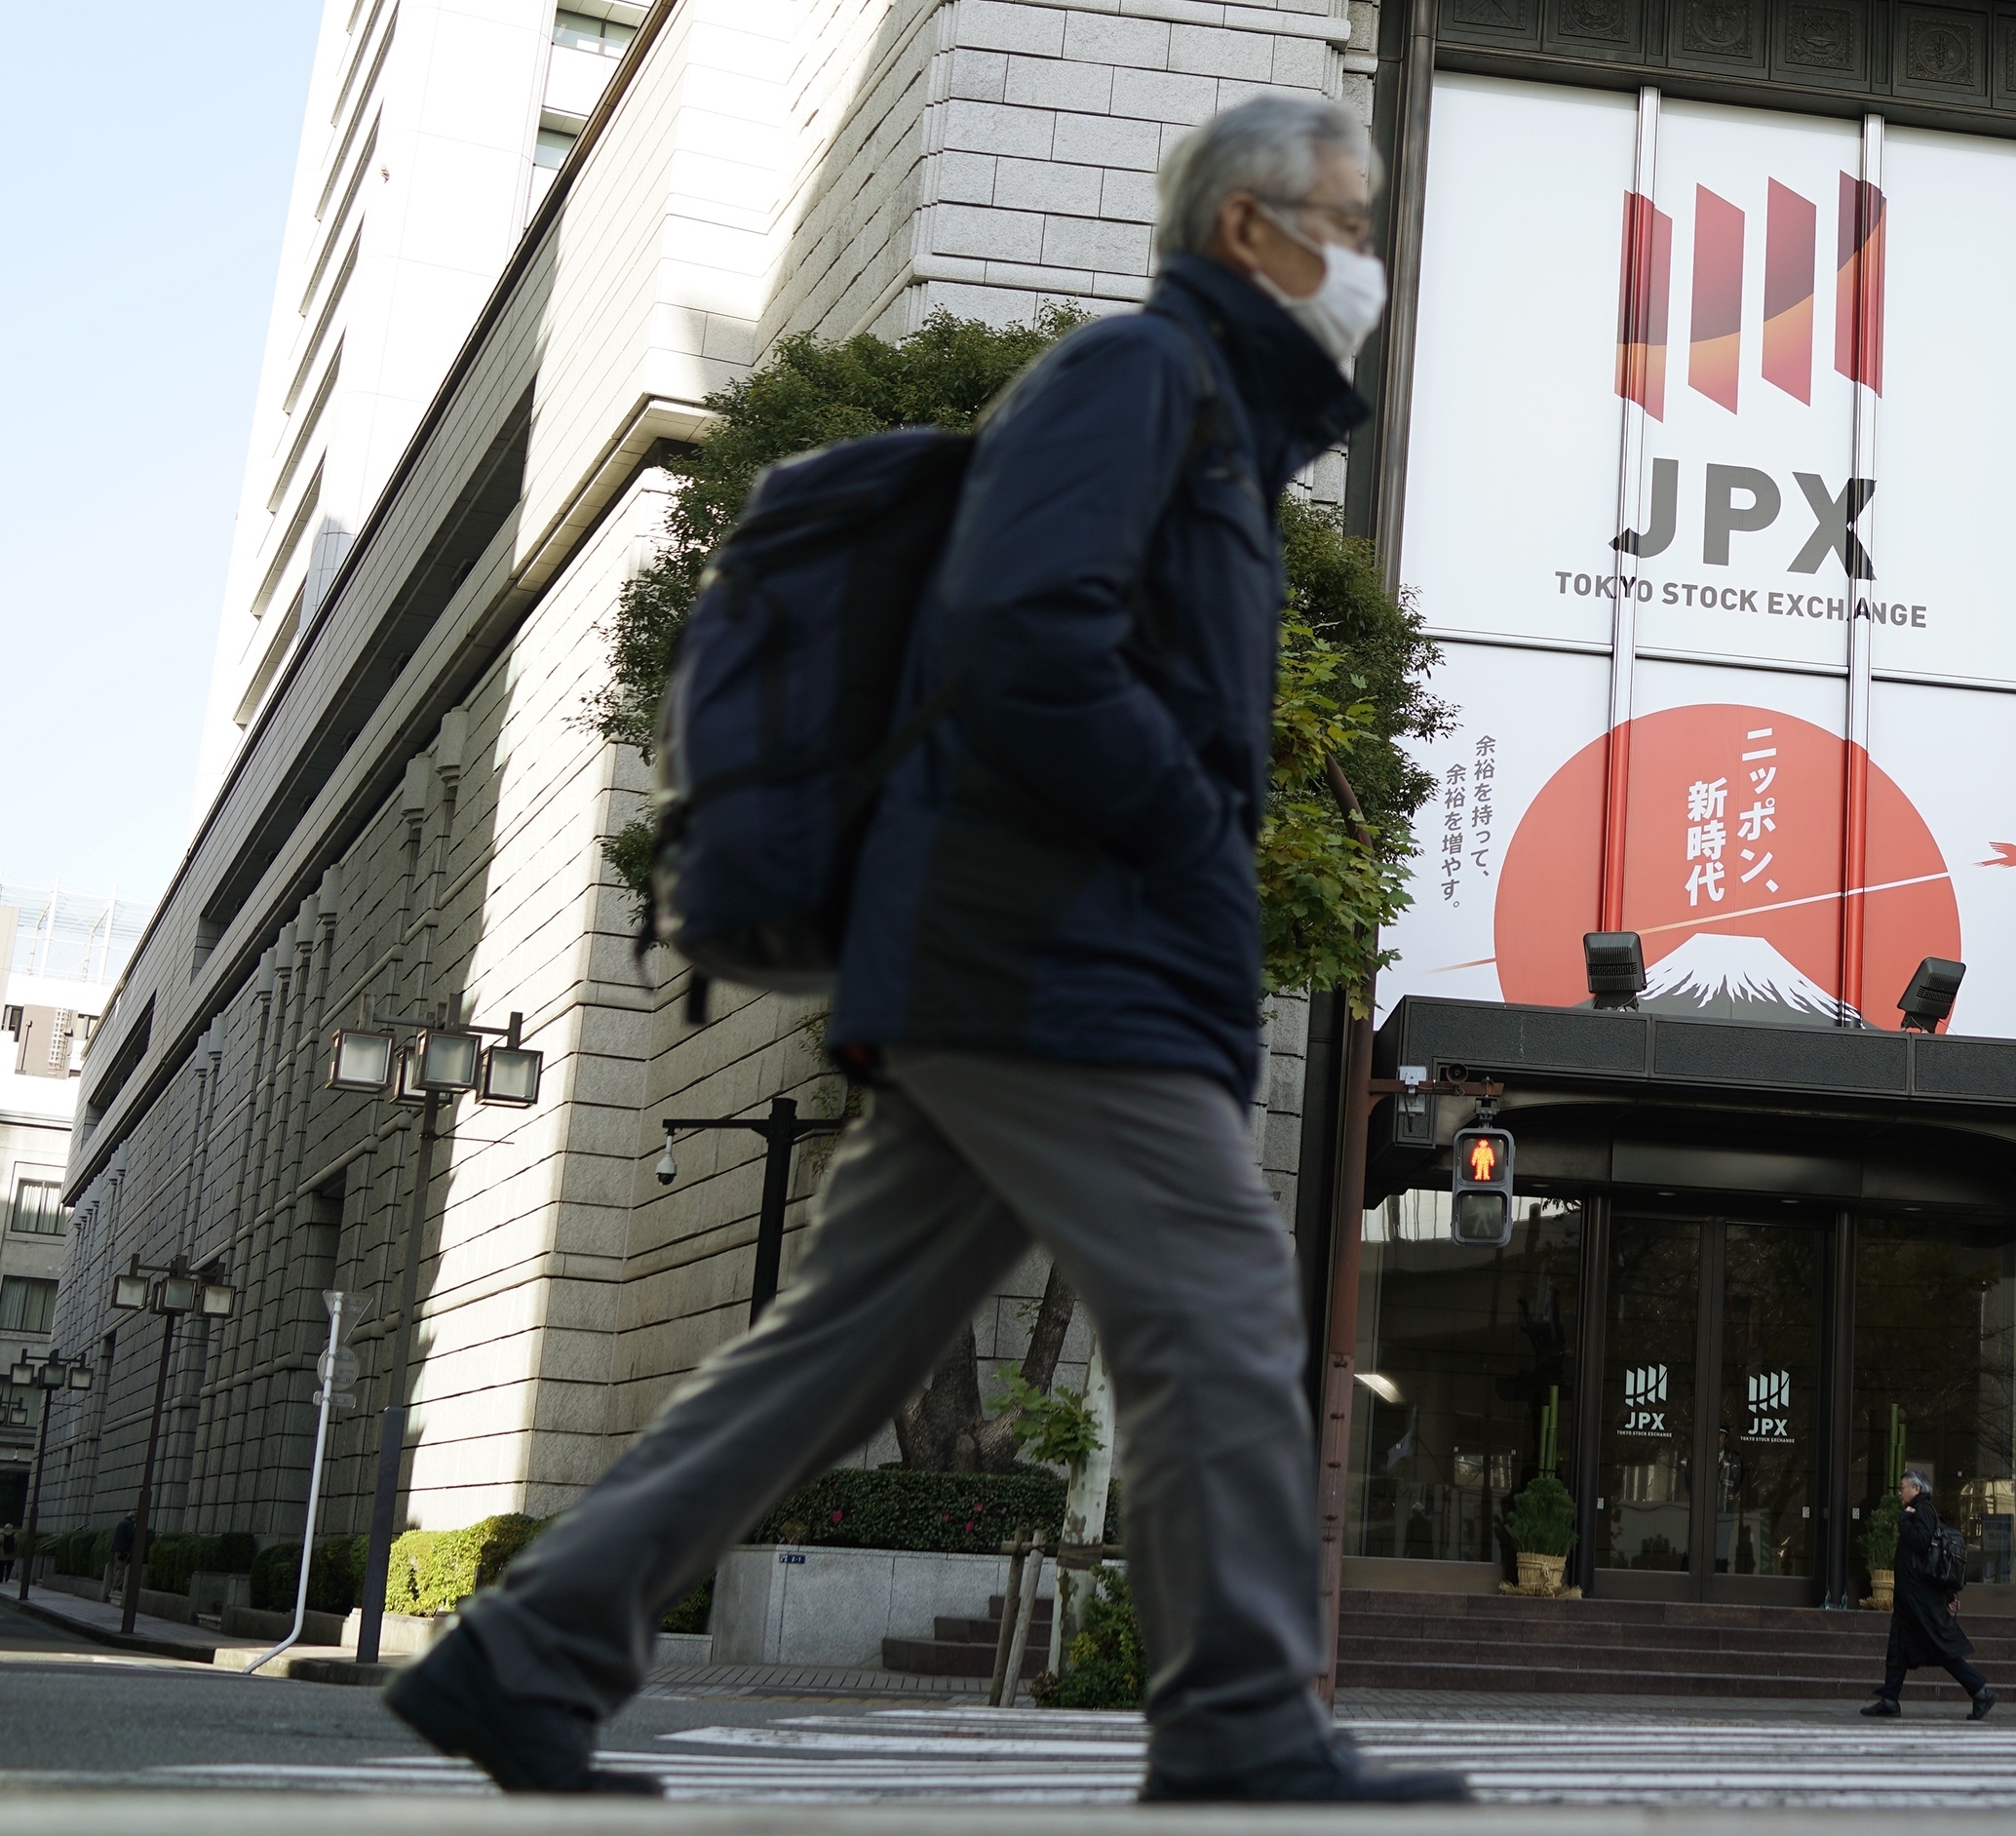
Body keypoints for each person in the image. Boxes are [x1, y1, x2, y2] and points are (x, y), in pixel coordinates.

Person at [384, 95, 1465, 1804]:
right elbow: (1025, 632)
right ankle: (1244, 1719)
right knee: (1224, 1306)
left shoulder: (1215, 428)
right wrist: (1189, 825)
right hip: (1058, 954)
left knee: (840, 1348)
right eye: (1348, 217)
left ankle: (524, 1652)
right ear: (1250, 234)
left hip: (1017, 954)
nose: (1369, 260)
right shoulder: (1143, 381)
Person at [1861, 1468, 1997, 1721]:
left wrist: (1903, 1521)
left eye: (1903, 1488)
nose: (1900, 1493)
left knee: (1939, 1648)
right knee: (1898, 1649)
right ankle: (1890, 1699)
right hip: (1911, 1598)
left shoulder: (1921, 1510)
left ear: (1917, 1489)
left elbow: (1922, 1542)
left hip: (1918, 1599)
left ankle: (1979, 1691)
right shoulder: (1920, 1511)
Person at [108, 1514, 134, 1594]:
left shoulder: (121, 1523)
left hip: (117, 1549)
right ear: (133, 1517)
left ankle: (113, 1587)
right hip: (123, 1549)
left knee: (116, 1569)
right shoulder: (129, 1524)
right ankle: (115, 1588)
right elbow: (131, 1536)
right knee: (121, 1569)